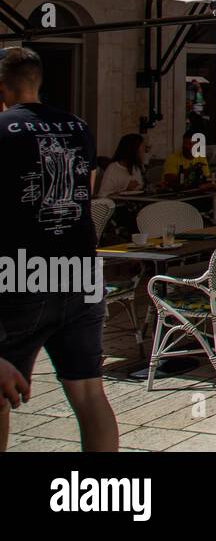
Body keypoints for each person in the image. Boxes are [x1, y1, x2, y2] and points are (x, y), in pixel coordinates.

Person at [0, 47, 119, 452]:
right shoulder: (78, 126)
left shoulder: (2, 128)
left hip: (21, 273)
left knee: (2, 394)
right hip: (79, 269)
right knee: (89, 394)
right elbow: (82, 191)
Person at [99, 133, 146, 198]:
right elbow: (102, 196)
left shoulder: (136, 168)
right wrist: (125, 190)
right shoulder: (113, 169)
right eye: (142, 150)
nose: (144, 153)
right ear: (133, 150)